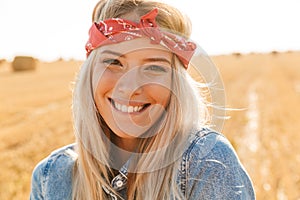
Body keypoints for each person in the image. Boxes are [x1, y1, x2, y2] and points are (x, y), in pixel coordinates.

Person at [30, 0, 255, 199]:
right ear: (89, 73)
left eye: (154, 67)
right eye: (113, 63)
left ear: (175, 83)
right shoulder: (50, 177)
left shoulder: (205, 164)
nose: (129, 88)